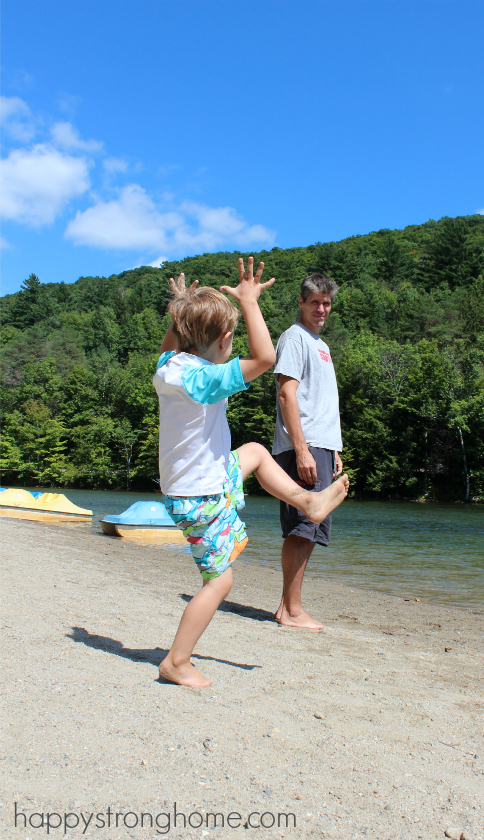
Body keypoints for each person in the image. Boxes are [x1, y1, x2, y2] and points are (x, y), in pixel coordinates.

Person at [154, 258, 349, 688]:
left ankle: (308, 501)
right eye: (230, 340)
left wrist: (181, 305)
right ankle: (176, 661)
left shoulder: (168, 369)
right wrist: (248, 302)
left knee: (257, 452)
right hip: (199, 493)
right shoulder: (204, 379)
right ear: (224, 340)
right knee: (218, 582)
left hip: (197, 480)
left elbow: (171, 344)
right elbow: (266, 356)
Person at [272, 273, 343, 630]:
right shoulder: (294, 338)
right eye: (314, 302)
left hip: (321, 445)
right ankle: (293, 611)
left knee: (312, 527)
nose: (321, 309)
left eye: (326, 303)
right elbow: (287, 393)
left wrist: (334, 448)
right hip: (305, 445)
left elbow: (321, 401)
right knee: (303, 525)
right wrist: (302, 450)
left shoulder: (320, 344)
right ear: (301, 302)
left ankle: (288, 607)